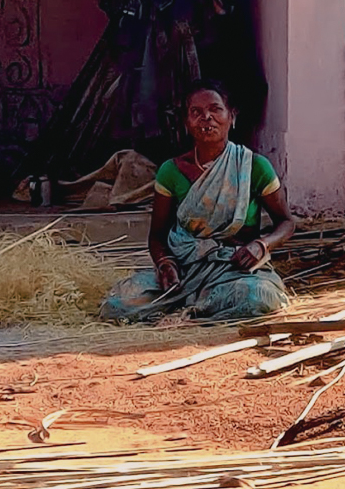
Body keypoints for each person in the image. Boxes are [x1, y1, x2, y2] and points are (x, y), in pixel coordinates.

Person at [99, 82, 295, 322]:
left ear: (231, 116)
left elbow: (286, 222)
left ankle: (193, 307)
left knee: (257, 298)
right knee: (118, 304)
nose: (207, 118)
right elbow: (157, 235)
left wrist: (261, 246)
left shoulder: (253, 167)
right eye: (196, 112)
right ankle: (198, 304)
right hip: (185, 271)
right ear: (187, 123)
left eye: (215, 109)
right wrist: (165, 265)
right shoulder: (171, 171)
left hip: (237, 272)